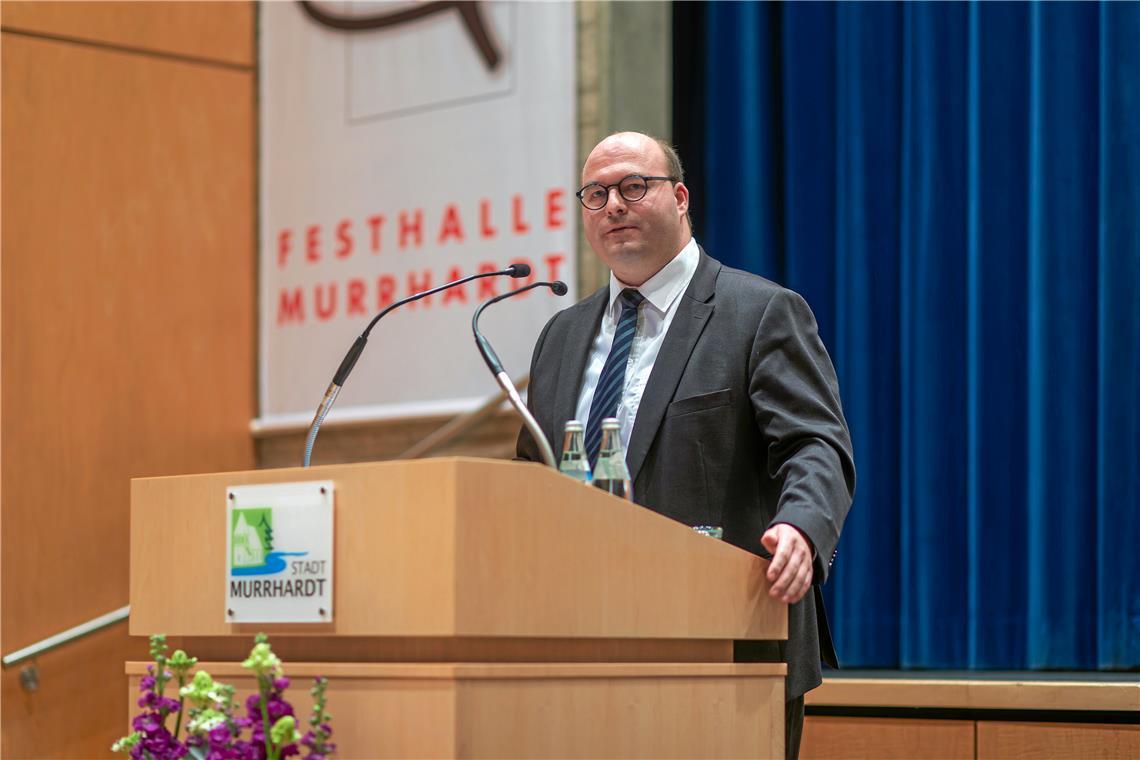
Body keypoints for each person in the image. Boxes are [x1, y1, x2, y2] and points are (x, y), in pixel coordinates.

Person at [515, 131, 855, 759]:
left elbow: (815, 444)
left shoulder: (758, 311)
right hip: (578, 638)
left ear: (679, 196)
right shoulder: (559, 337)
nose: (613, 204)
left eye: (632, 187)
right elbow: (531, 474)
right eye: (596, 194)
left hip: (725, 639)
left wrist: (803, 528)